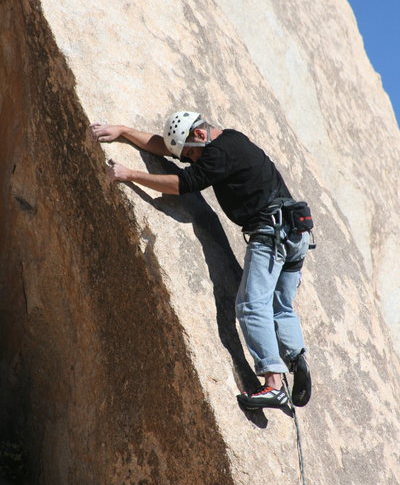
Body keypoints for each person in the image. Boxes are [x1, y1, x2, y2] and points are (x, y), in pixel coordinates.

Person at [90, 111, 312, 409]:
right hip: (296, 232)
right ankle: (296, 358)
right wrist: (124, 130)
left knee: (250, 305)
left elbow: (181, 183)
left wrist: (129, 174)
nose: (190, 159)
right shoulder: (227, 139)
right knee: (280, 305)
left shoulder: (218, 155)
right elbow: (165, 147)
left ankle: (273, 383)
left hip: (270, 232)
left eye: (191, 154)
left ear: (199, 135)